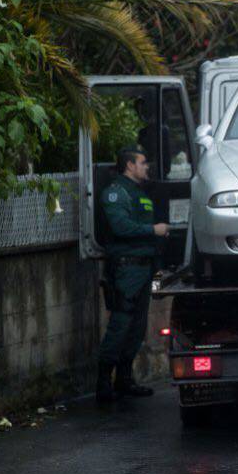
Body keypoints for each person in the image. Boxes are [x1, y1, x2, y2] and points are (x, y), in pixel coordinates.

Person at [97, 146, 169, 403]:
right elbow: (120, 226)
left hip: (144, 267)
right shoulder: (117, 193)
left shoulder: (138, 192)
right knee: (120, 325)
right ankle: (104, 382)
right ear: (129, 165)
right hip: (127, 268)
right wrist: (154, 230)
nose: (147, 167)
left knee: (137, 328)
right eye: (142, 162)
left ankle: (124, 380)